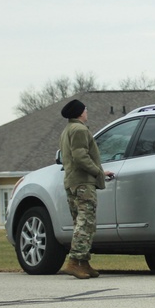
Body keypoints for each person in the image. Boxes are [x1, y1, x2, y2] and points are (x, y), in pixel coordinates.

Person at [58, 99, 114, 279]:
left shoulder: (67, 130)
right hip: (83, 182)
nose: (87, 112)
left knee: (80, 222)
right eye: (85, 109)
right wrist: (98, 172)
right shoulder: (80, 130)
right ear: (80, 112)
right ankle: (74, 262)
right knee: (85, 222)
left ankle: (84, 263)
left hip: (72, 181)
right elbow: (80, 156)